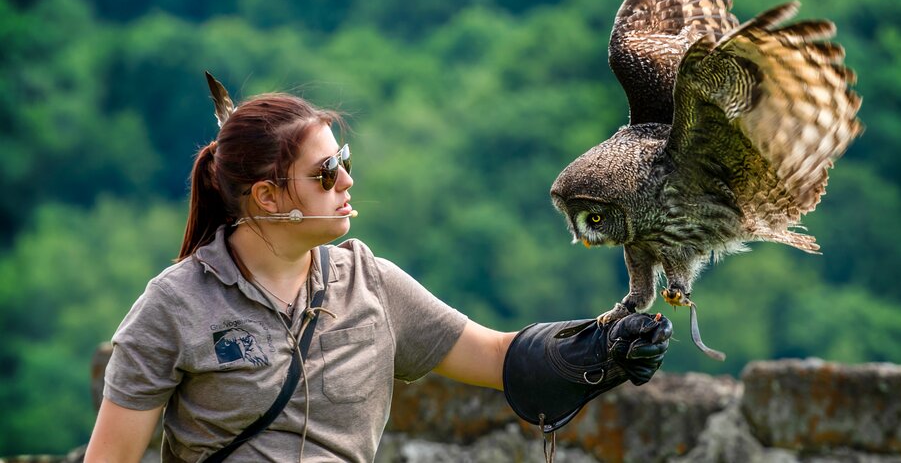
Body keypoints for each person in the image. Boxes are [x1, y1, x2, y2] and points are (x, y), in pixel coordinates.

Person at [86, 74, 673, 462]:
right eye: (323, 174)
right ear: (267, 198)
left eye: (342, 161)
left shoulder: (372, 284)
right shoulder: (175, 305)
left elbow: (496, 356)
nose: (346, 181)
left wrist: (602, 347)